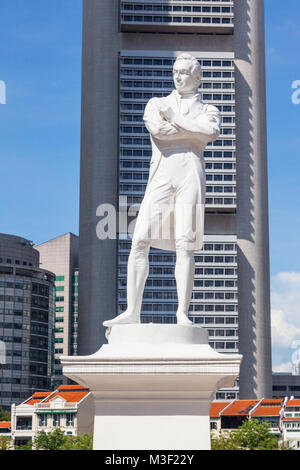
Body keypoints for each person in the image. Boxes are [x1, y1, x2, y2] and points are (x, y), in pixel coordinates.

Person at [103, 53, 221, 327]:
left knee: (185, 243)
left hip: (190, 171)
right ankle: (132, 312)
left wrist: (177, 120)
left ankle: (182, 312)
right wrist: (192, 132)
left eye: (184, 72)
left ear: (197, 77)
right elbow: (160, 133)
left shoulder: (209, 109)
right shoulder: (157, 104)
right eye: (175, 71)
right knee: (140, 238)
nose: (178, 76)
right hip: (163, 172)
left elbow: (209, 133)